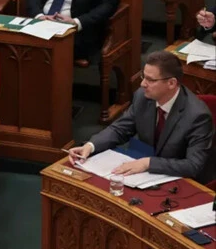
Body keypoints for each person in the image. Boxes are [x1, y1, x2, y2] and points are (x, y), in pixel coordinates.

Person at [67, 51, 215, 184]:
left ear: (171, 83)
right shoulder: (143, 97)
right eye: (144, 76)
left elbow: (193, 165)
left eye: (150, 80)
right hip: (147, 174)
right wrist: (90, 146)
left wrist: (148, 163)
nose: (143, 84)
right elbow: (120, 129)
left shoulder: (197, 116)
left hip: (183, 181)